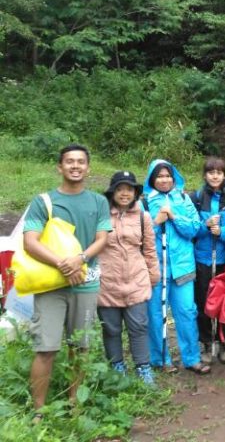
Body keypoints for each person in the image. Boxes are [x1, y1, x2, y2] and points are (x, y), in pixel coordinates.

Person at [23, 144, 112, 418]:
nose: (75, 166)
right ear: (59, 167)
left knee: (81, 347)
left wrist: (80, 259)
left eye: (81, 162)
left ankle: (75, 404)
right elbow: (30, 241)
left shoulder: (98, 201)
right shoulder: (44, 201)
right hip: (51, 285)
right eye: (69, 162)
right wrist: (64, 263)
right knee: (45, 348)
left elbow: (102, 239)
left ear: (88, 167)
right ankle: (39, 411)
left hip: (85, 283)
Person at [143, 159, 209, 375]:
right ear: (152, 179)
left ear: (174, 177)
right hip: (154, 268)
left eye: (167, 175)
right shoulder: (144, 203)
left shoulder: (183, 198)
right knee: (155, 313)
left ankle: (191, 358)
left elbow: (194, 229)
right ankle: (160, 358)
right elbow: (138, 236)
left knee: (187, 311)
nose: (164, 180)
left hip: (182, 266)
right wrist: (157, 221)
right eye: (159, 176)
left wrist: (173, 216)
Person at [98, 171, 160, 385]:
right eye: (120, 189)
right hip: (107, 281)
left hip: (136, 280)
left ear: (135, 192)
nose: (125, 193)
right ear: (112, 192)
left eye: (129, 189)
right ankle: (117, 368)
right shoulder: (100, 215)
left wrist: (153, 276)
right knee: (111, 328)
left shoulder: (144, 217)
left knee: (139, 326)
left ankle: (143, 367)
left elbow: (150, 250)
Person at [190, 157, 225, 365]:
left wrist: (222, 232)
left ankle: (224, 342)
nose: (215, 176)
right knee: (203, 302)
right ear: (205, 175)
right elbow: (190, 228)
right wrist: (205, 225)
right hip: (202, 258)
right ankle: (207, 344)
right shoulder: (196, 197)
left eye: (219, 172)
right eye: (211, 172)